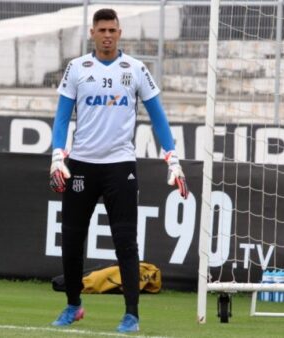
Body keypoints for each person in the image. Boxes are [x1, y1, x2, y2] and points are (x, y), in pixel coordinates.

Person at [49, 8, 189, 333]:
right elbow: (61, 116)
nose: (107, 35)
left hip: (120, 166)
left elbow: (158, 116)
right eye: (102, 30)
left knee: (125, 241)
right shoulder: (77, 68)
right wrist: (58, 156)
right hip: (82, 164)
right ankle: (73, 305)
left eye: (113, 29)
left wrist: (173, 159)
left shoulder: (136, 69)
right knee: (71, 240)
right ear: (92, 33)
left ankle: (132, 314)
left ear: (120, 32)